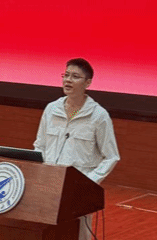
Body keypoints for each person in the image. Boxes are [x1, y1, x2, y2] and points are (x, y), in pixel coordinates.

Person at [34, 58, 120, 240]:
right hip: (49, 185)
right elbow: (39, 145)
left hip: (77, 190)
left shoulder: (98, 116)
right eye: (65, 75)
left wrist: (89, 182)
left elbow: (111, 156)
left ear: (87, 83)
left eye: (75, 76)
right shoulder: (51, 109)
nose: (68, 80)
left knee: (77, 235)